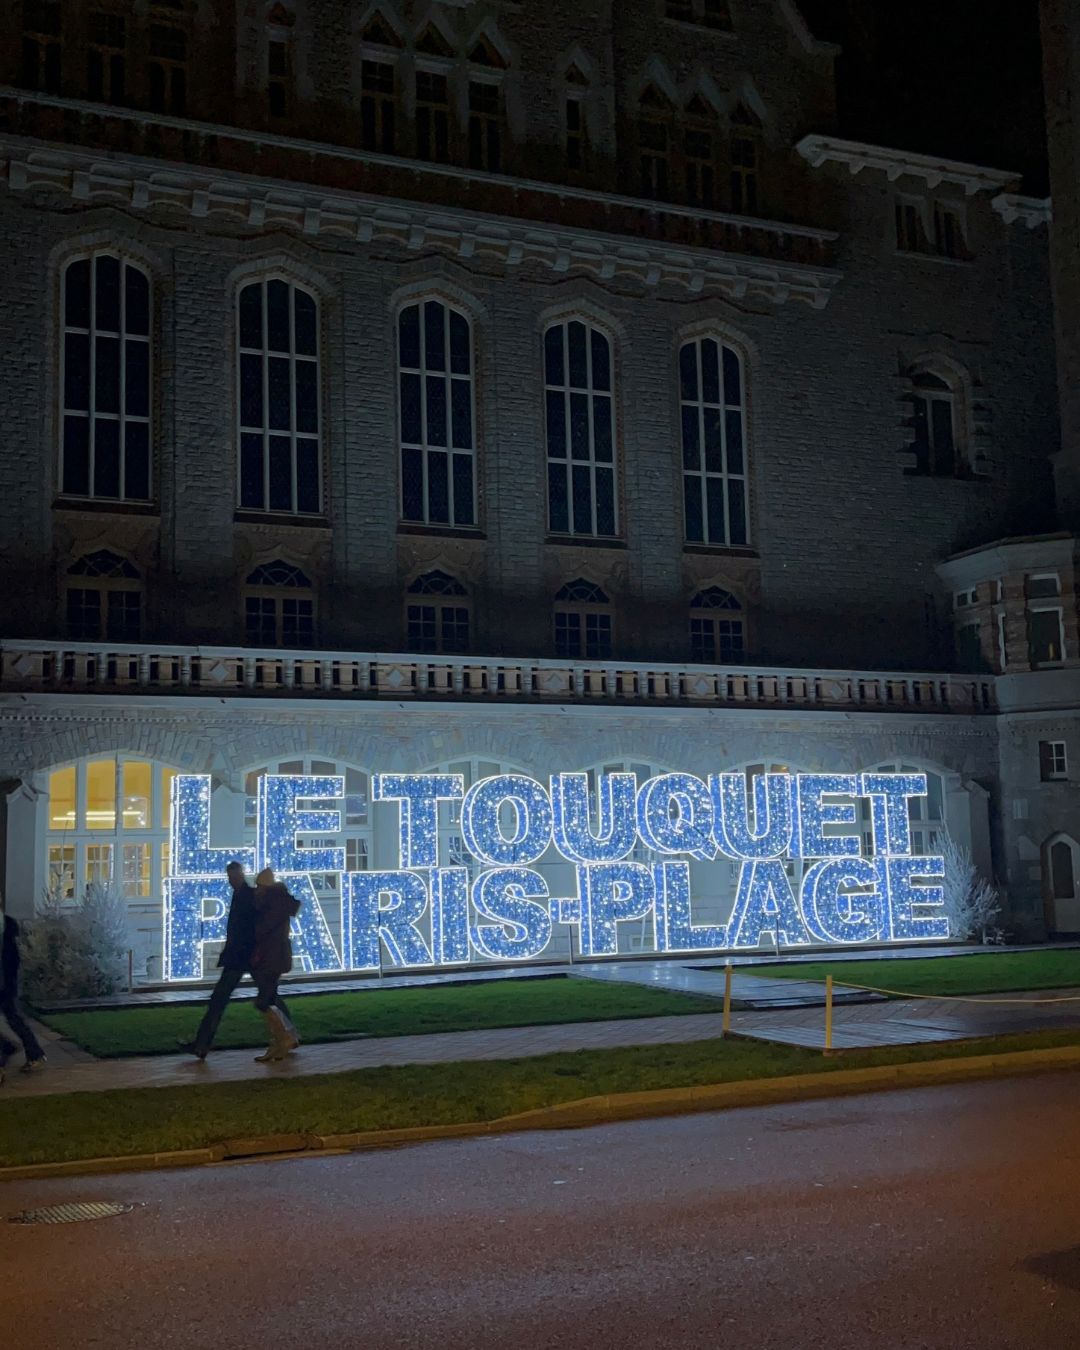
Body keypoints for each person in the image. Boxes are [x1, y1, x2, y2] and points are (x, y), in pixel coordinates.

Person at [178, 861, 297, 1060]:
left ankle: (202, 1044)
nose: (232, 880)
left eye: (234, 876)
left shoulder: (251, 896)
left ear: (241, 875)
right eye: (230, 877)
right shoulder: (250, 895)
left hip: (245, 957)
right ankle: (289, 1036)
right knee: (265, 998)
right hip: (247, 957)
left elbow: (257, 927)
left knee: (237, 999)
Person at [250, 868, 301, 1064]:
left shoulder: (271, 903)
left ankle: (283, 1040)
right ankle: (282, 1040)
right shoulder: (280, 901)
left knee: (264, 1001)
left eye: (259, 886)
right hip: (276, 957)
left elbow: (262, 930)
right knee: (270, 998)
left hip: (270, 957)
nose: (257, 890)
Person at [0, 903, 47, 1078]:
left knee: (15, 1018)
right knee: (14, 1018)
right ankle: (31, 1053)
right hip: (7, 983)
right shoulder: (7, 927)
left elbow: (10, 961)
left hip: (5, 983)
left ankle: (9, 1051)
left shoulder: (6, 929)